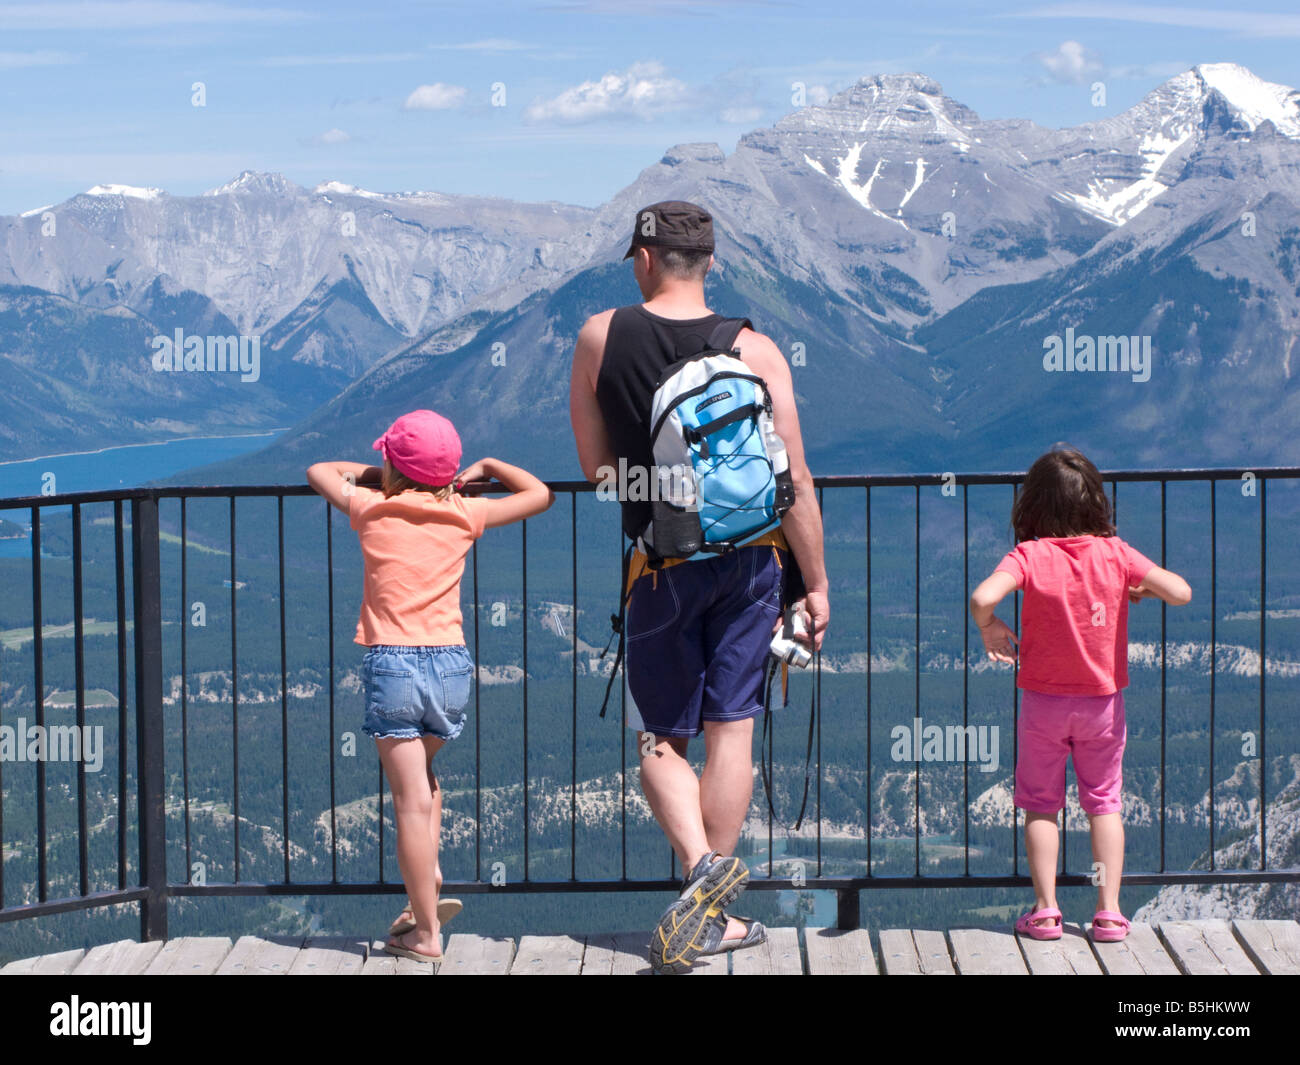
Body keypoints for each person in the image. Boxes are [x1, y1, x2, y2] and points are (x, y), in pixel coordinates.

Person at [569, 200, 829, 973]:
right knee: (732, 732)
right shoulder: (758, 349)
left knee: (660, 735)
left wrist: (660, 490)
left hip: (662, 565)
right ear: (710, 262)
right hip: (755, 563)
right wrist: (815, 585)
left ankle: (698, 873)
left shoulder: (599, 336)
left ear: (644, 260)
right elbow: (797, 479)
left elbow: (598, 473)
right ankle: (713, 913)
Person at [307, 410, 553, 962]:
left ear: (393, 466)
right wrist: (485, 466)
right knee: (426, 781)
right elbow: (539, 494)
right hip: (450, 667)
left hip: (393, 664)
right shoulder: (466, 512)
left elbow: (321, 469)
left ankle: (425, 933)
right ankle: (428, 883)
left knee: (411, 801)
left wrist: (382, 475)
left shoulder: (372, 506)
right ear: (450, 473)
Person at [969, 445, 1191, 943]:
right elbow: (1181, 592)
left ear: (1034, 505)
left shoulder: (1029, 555)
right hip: (1102, 705)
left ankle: (1046, 911)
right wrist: (1136, 588)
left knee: (1041, 804)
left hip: (1043, 704)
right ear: (1096, 501)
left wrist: (989, 628)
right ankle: (1109, 912)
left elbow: (983, 597)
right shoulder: (1116, 554)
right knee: (1104, 803)